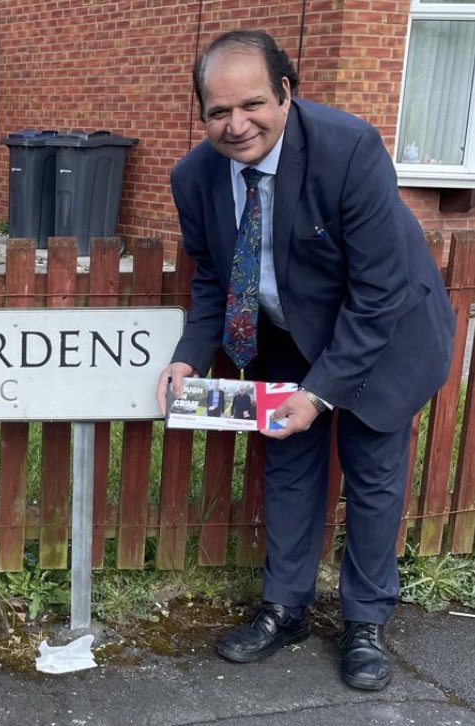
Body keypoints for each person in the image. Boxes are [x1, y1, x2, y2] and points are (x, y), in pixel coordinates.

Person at [157, 30, 454, 691]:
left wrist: (319, 393)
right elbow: (211, 277)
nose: (236, 126)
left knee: (372, 474)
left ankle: (364, 622)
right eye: (217, 112)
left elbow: (378, 290)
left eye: (253, 104)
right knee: (288, 465)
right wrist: (187, 357)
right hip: (286, 333)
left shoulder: (346, 150)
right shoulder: (192, 177)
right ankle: (284, 608)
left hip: (386, 332)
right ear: (201, 113)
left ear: (287, 93)